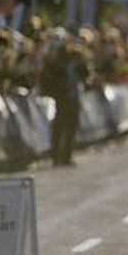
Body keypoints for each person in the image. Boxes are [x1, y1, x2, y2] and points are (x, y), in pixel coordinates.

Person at [40, 30, 91, 167]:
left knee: (70, 128)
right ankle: (57, 157)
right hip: (62, 97)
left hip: (73, 97)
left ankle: (65, 157)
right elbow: (48, 78)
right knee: (60, 127)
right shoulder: (55, 62)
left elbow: (85, 74)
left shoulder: (75, 58)